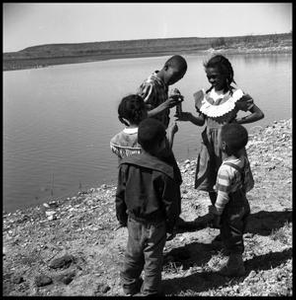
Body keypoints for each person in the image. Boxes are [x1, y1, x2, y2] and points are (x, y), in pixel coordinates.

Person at [177, 54, 264, 208]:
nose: (211, 80)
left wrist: (238, 122)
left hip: (228, 144)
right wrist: (189, 117)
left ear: (226, 75)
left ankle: (234, 212)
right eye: (208, 77)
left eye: (215, 76)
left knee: (231, 177)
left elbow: (258, 114)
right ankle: (219, 213)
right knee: (211, 179)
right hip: (209, 144)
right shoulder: (204, 96)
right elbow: (202, 122)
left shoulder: (236, 96)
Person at [115, 118, 181, 296]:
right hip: (156, 224)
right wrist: (172, 225)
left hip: (133, 220)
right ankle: (150, 291)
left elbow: (120, 195)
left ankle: (128, 285)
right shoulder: (165, 171)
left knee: (132, 254)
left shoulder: (126, 164)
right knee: (152, 259)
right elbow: (171, 204)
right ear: (162, 143)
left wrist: (121, 217)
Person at [208, 123, 252, 277]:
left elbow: (223, 196)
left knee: (232, 234)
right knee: (237, 230)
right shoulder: (243, 160)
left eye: (219, 140)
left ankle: (236, 267)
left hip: (231, 208)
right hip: (242, 202)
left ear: (224, 146)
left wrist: (216, 211)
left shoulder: (225, 169)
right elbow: (248, 183)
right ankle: (233, 254)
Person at [137, 54, 188, 129]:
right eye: (175, 75)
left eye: (179, 78)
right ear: (166, 68)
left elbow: (156, 107)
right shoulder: (151, 85)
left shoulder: (163, 84)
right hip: (148, 135)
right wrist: (166, 105)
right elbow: (138, 117)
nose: (175, 80)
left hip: (158, 133)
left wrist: (172, 102)